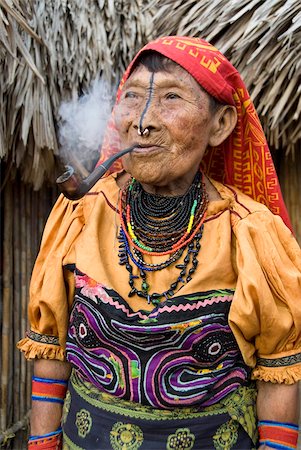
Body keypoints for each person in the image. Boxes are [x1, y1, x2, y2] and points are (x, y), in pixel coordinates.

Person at [18, 36, 301, 450]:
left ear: (220, 125)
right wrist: (42, 443)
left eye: (170, 97)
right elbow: (51, 344)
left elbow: (278, 369)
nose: (142, 120)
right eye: (131, 97)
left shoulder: (251, 234)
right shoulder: (81, 214)